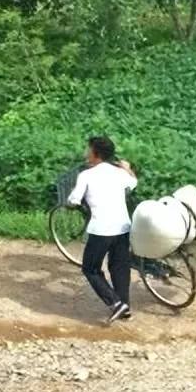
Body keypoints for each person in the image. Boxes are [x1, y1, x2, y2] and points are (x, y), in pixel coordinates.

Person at [67, 136, 137, 324]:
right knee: (120, 267)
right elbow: (133, 183)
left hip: (101, 230)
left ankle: (115, 303)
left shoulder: (86, 176)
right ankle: (125, 306)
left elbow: (73, 200)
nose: (85, 153)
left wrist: (74, 202)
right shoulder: (119, 173)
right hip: (123, 227)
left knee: (90, 268)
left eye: (87, 149)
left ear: (95, 154)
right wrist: (126, 168)